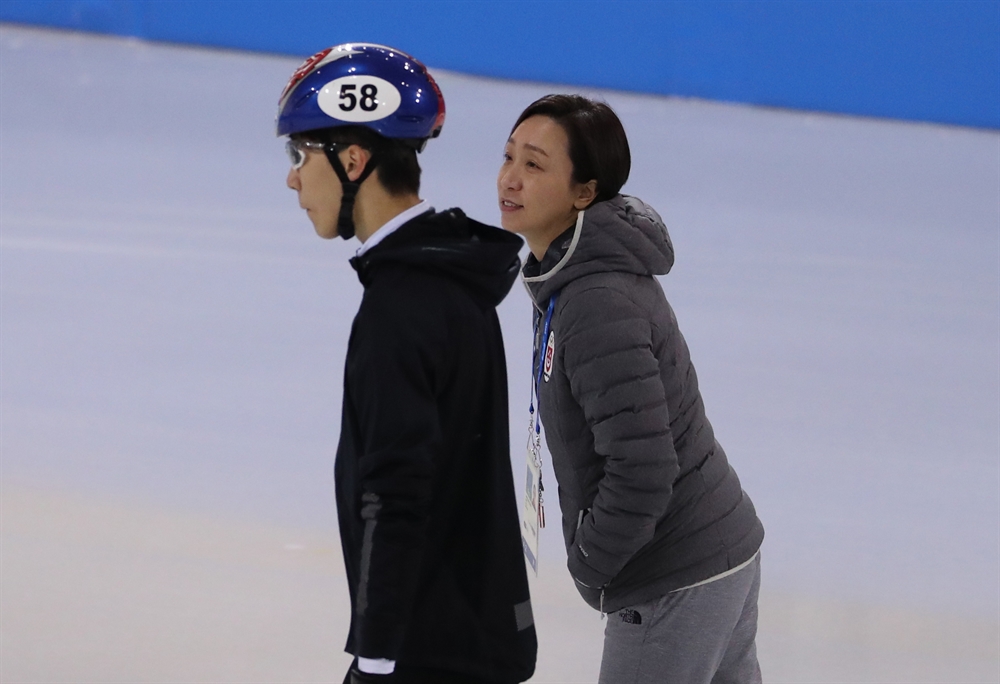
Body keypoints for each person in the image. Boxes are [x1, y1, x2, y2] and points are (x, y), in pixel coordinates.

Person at [278, 43, 537, 684]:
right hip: (471, 638)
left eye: (300, 155)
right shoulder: (450, 279)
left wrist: (374, 661)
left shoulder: (400, 309)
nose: (292, 178)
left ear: (354, 160)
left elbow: (393, 498)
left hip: (427, 655)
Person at [497, 94, 765, 683]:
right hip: (714, 551)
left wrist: (593, 562)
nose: (510, 178)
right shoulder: (573, 276)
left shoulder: (595, 303)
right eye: (509, 156)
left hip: (675, 573)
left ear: (584, 192)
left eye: (535, 165)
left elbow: (643, 468)